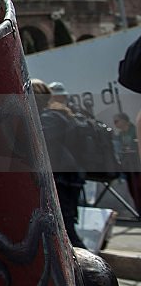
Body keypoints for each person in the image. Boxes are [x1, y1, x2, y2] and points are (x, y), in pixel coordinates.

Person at [33, 80, 87, 247]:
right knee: (65, 224)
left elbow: (39, 146)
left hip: (62, 178)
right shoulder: (60, 115)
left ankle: (85, 269)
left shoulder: (49, 118)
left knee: (65, 227)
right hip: (70, 176)